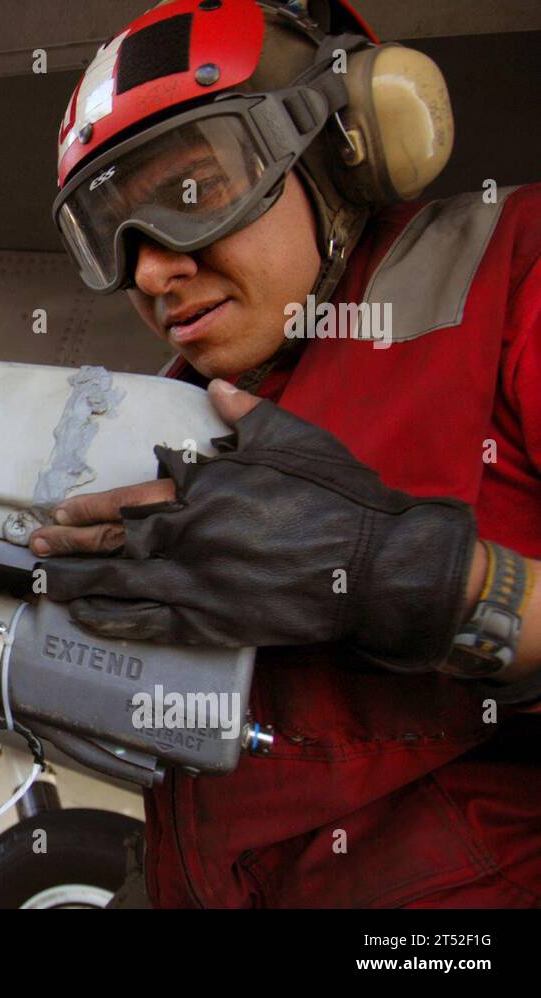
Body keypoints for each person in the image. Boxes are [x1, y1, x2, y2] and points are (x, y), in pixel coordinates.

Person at [30, 0, 540, 906]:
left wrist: (404, 577)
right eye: (113, 233)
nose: (149, 271)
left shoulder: (518, 275)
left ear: (341, 152)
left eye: (190, 194)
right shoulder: (168, 411)